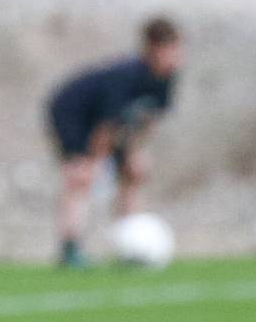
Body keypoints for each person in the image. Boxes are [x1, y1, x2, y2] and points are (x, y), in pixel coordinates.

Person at [44, 16, 183, 267]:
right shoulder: (125, 76)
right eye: (169, 50)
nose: (175, 57)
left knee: (134, 172)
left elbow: (148, 118)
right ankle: (70, 249)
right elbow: (105, 127)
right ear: (152, 49)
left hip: (113, 126)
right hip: (73, 114)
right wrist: (96, 162)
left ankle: (129, 242)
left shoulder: (166, 79)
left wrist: (135, 152)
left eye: (177, 49)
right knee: (80, 176)